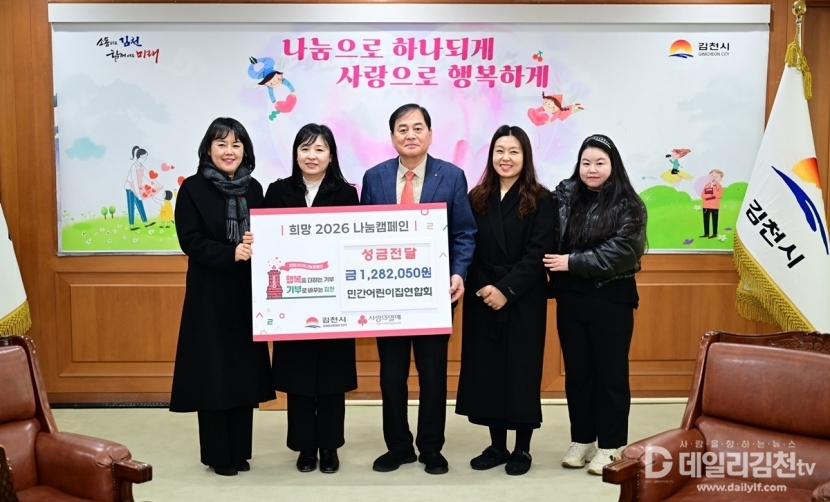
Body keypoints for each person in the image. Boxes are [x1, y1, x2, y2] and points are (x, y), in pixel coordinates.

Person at [360, 103, 476, 475]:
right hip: (387, 296)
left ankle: (430, 448)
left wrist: (458, 273)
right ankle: (398, 447)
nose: (410, 135)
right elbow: (361, 235)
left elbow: (464, 233)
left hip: (435, 295)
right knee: (391, 375)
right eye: (402, 128)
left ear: (430, 133)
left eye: (417, 127)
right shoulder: (374, 177)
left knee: (433, 373)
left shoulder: (452, 176)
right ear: (392, 136)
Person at [170, 117, 273, 477]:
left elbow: (268, 235)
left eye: (236, 145)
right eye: (222, 144)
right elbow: (190, 240)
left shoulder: (254, 188)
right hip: (209, 295)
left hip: (246, 293)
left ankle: (239, 451)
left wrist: (258, 243)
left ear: (245, 150)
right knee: (213, 374)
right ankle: (218, 455)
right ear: (208, 149)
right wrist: (230, 253)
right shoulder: (192, 188)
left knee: (243, 374)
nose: (229, 151)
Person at [543, 134, 646, 476]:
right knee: (578, 374)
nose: (592, 169)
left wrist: (571, 262)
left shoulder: (630, 204)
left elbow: (624, 252)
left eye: (600, 162)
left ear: (613, 165)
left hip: (611, 299)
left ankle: (611, 445)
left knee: (610, 375)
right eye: (586, 162)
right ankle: (583, 439)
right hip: (571, 298)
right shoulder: (564, 197)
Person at [455, 125, 555, 476]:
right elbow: (466, 245)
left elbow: (539, 253)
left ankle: (522, 448)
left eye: (514, 151)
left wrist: (506, 290)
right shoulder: (477, 197)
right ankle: (497, 445)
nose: (506, 158)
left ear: (525, 156)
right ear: (491, 155)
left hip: (523, 298)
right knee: (489, 372)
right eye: (500, 150)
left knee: (521, 372)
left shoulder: (541, 199)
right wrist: (485, 287)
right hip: (483, 297)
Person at [263, 124, 359, 474]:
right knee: (299, 377)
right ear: (295, 154)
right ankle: (304, 447)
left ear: (331, 156)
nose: (312, 156)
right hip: (292, 301)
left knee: (332, 377)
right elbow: (267, 243)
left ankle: (330, 446)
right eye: (305, 148)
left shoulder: (346, 194)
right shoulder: (277, 191)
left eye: (319, 149)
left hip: (333, 299)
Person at [700, 169, 724, 238]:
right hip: (706, 206)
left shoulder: (719, 186)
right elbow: (703, 195)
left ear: (720, 179)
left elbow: (718, 195)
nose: (714, 178)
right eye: (712, 176)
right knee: (706, 220)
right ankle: (706, 233)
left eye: (716, 177)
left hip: (715, 206)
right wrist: (711, 195)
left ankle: (714, 233)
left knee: (714, 220)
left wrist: (713, 187)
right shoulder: (707, 185)